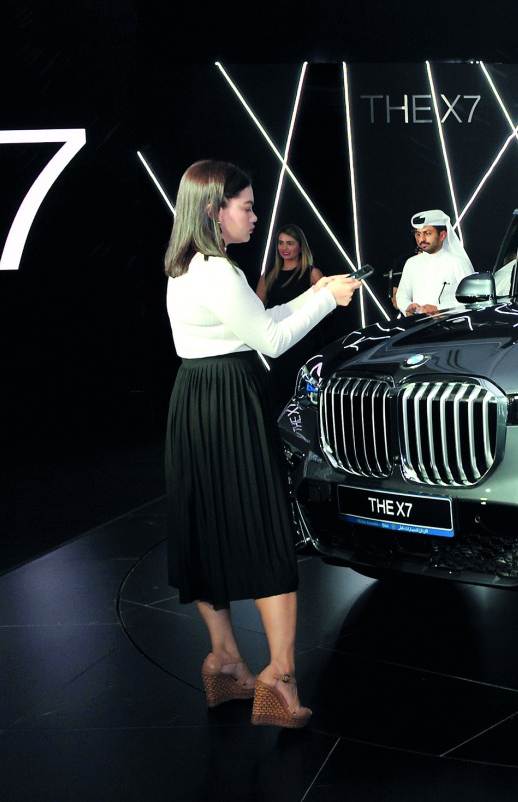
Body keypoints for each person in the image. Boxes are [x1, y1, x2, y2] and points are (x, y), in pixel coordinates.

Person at [163, 160, 360, 729]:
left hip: (194, 400)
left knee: (207, 532)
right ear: (213, 210)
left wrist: (316, 291)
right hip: (230, 401)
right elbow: (271, 339)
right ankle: (280, 676)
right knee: (265, 531)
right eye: (246, 207)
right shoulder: (219, 270)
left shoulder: (186, 265)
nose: (255, 218)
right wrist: (327, 301)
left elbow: (256, 319)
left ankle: (225, 661)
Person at [254, 224, 327, 416]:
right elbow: (256, 309)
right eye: (280, 243)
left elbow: (326, 308)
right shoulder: (269, 275)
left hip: (307, 343)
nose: (284, 248)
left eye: (290, 243)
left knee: (308, 394)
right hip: (280, 342)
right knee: (280, 392)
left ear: (300, 246)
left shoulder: (312, 273)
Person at [394, 209, 474, 316]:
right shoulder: (411, 263)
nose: (421, 239)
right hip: (419, 324)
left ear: (442, 235)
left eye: (427, 233)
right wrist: (408, 306)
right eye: (418, 234)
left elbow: (471, 299)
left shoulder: (457, 263)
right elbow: (401, 295)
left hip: (452, 324)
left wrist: (438, 309)